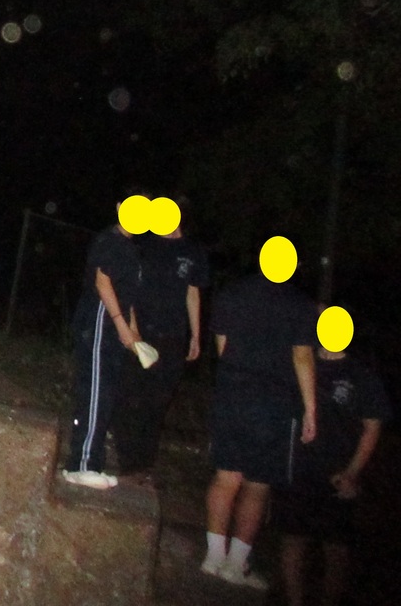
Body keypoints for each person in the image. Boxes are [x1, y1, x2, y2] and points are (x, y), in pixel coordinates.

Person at [200, 266, 318, 589]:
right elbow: (302, 356)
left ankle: (214, 556)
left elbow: (222, 344)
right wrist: (311, 410)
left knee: (226, 477)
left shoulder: (232, 294)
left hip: (233, 396)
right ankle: (235, 564)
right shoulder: (299, 305)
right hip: (274, 404)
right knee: (258, 484)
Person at [275, 310, 390, 606]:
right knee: (293, 538)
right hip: (299, 467)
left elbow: (372, 427)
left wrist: (353, 472)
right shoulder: (301, 362)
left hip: (337, 473)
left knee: (335, 547)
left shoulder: (361, 376)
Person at [112, 214, 207, 478]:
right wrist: (132, 328)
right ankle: (127, 459)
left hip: (173, 335)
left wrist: (196, 335)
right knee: (132, 394)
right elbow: (128, 288)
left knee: (159, 398)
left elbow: (193, 292)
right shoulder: (144, 246)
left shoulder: (193, 251)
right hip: (142, 333)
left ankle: (144, 461)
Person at [62, 197, 145, 489]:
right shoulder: (109, 241)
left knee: (105, 392)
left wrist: (133, 331)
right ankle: (82, 464)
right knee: (95, 390)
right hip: (99, 321)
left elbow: (128, 294)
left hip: (113, 326)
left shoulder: (131, 249)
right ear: (120, 207)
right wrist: (121, 324)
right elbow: (102, 282)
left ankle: (89, 461)